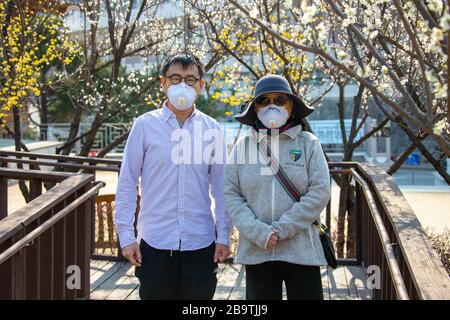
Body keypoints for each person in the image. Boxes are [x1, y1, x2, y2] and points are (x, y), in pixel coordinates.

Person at [115, 53, 232, 300]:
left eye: (190, 80)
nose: (183, 85)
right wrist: (126, 236)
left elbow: (221, 187)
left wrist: (224, 236)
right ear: (163, 83)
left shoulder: (212, 129)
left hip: (200, 243)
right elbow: (127, 182)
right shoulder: (144, 125)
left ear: (201, 86)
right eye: (175, 78)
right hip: (155, 242)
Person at [224, 74, 330, 300]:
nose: (272, 106)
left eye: (280, 100)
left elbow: (320, 191)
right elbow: (231, 193)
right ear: (255, 108)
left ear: (291, 107)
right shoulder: (243, 147)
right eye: (264, 100)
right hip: (257, 250)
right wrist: (257, 231)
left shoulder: (309, 144)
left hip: (302, 251)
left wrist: (282, 229)